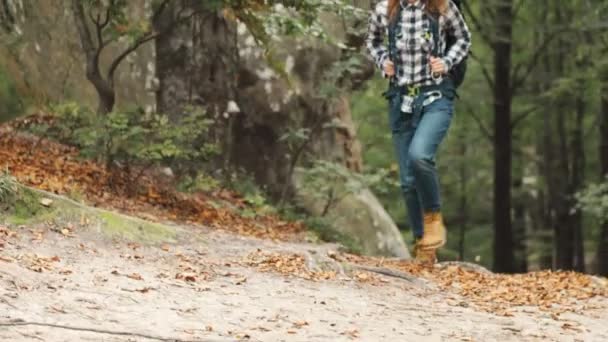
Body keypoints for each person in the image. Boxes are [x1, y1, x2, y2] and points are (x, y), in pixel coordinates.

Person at [366, 0, 471, 263]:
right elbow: (372, 41)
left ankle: (434, 218)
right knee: (407, 182)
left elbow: (463, 38)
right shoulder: (385, 10)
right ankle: (423, 247)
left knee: (420, 156)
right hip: (400, 102)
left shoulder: (442, 7)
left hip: (435, 97)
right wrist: (382, 61)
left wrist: (446, 61)